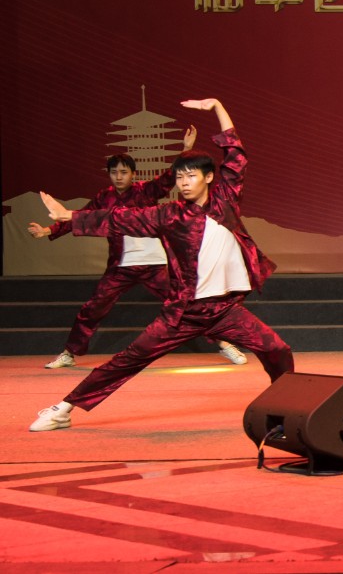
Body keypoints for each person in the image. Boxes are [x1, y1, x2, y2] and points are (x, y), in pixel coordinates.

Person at [30, 99, 295, 432]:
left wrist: (217, 106)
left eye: (191, 176)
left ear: (209, 177)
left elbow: (235, 153)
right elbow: (119, 219)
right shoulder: (169, 215)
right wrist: (69, 216)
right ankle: (64, 408)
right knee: (129, 360)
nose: (183, 182)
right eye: (179, 177)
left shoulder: (225, 200)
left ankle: (288, 408)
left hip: (224, 309)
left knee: (277, 350)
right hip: (182, 312)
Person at [27, 129, 250, 369]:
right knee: (93, 308)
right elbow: (81, 217)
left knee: (187, 305)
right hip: (121, 266)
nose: (119, 177)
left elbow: (168, 178)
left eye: (124, 172)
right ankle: (69, 353)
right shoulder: (104, 198)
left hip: (154, 265)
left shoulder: (145, 191)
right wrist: (48, 230)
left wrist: (185, 150)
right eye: (114, 172)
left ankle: (225, 344)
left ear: (133, 174)